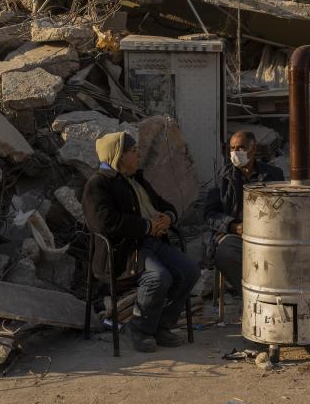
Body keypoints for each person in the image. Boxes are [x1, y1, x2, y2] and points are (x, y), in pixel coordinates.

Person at [82, 132, 200, 353]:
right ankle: (139, 329)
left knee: (190, 270)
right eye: (133, 151)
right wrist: (146, 226)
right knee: (158, 277)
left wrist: (168, 217)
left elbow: (165, 204)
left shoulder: (136, 179)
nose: (138, 155)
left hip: (151, 245)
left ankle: (162, 325)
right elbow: (105, 222)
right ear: (117, 155)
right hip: (124, 252)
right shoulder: (98, 184)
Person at [204, 130, 284, 293]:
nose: (235, 153)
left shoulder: (273, 175)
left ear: (253, 149)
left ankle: (275, 292)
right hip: (236, 235)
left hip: (267, 235)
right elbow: (209, 214)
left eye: (240, 148)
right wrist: (233, 226)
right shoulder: (223, 176)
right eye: (232, 148)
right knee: (225, 253)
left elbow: (282, 208)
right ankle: (253, 296)